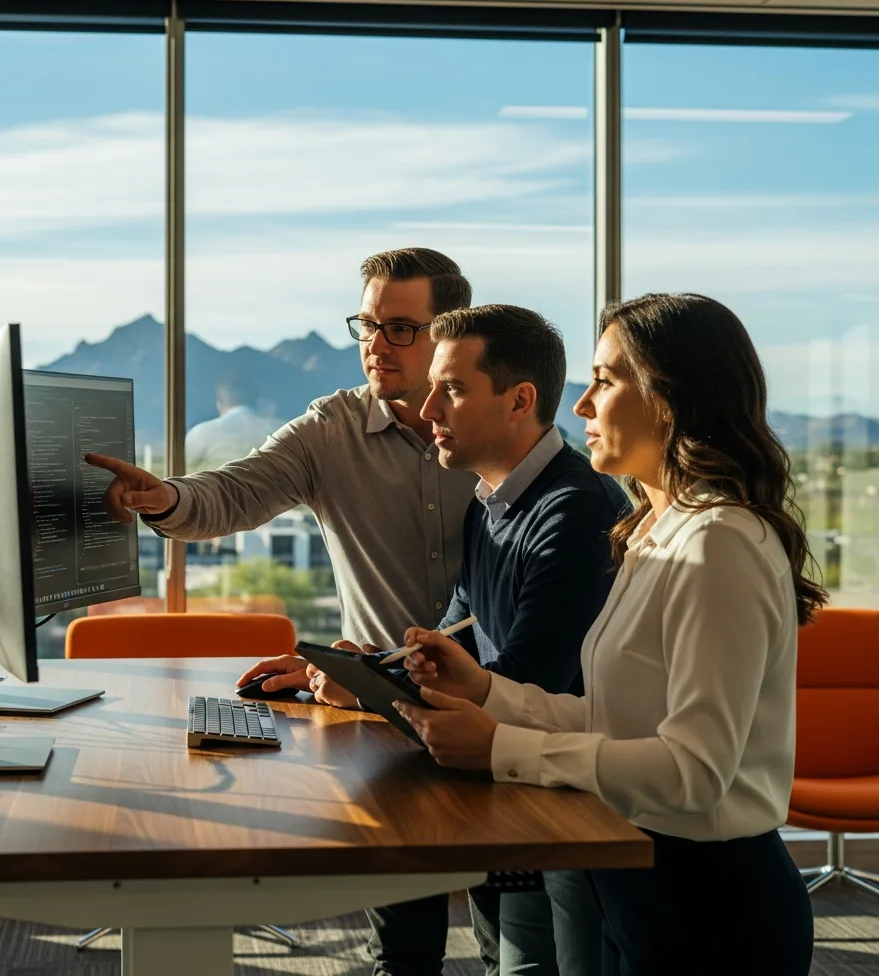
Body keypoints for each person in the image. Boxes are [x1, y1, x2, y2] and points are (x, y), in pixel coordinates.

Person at [84, 247, 503, 976]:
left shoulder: (494, 422)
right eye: (367, 325)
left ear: (447, 331)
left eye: (401, 328)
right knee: (403, 949)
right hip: (386, 718)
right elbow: (236, 491)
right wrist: (164, 498)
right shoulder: (330, 430)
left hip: (505, 703)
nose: (377, 344)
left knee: (515, 934)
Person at [395, 293, 822, 976]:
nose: (582, 405)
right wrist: (486, 691)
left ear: (670, 396)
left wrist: (504, 747)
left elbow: (694, 772)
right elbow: (617, 720)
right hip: (645, 885)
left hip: (711, 906)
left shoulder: (719, 543)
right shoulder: (656, 533)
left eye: (605, 379)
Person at [312, 304, 629, 976]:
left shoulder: (575, 513)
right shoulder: (493, 500)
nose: (428, 411)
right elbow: (462, 645)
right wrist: (379, 667)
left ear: (520, 401)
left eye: (449, 390)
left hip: (561, 812)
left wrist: (377, 694)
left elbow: (523, 684)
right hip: (514, 792)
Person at [184, 371, 281, 471]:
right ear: (256, 402)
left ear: (220, 403)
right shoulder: (279, 432)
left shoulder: (200, 433)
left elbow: (182, 474)